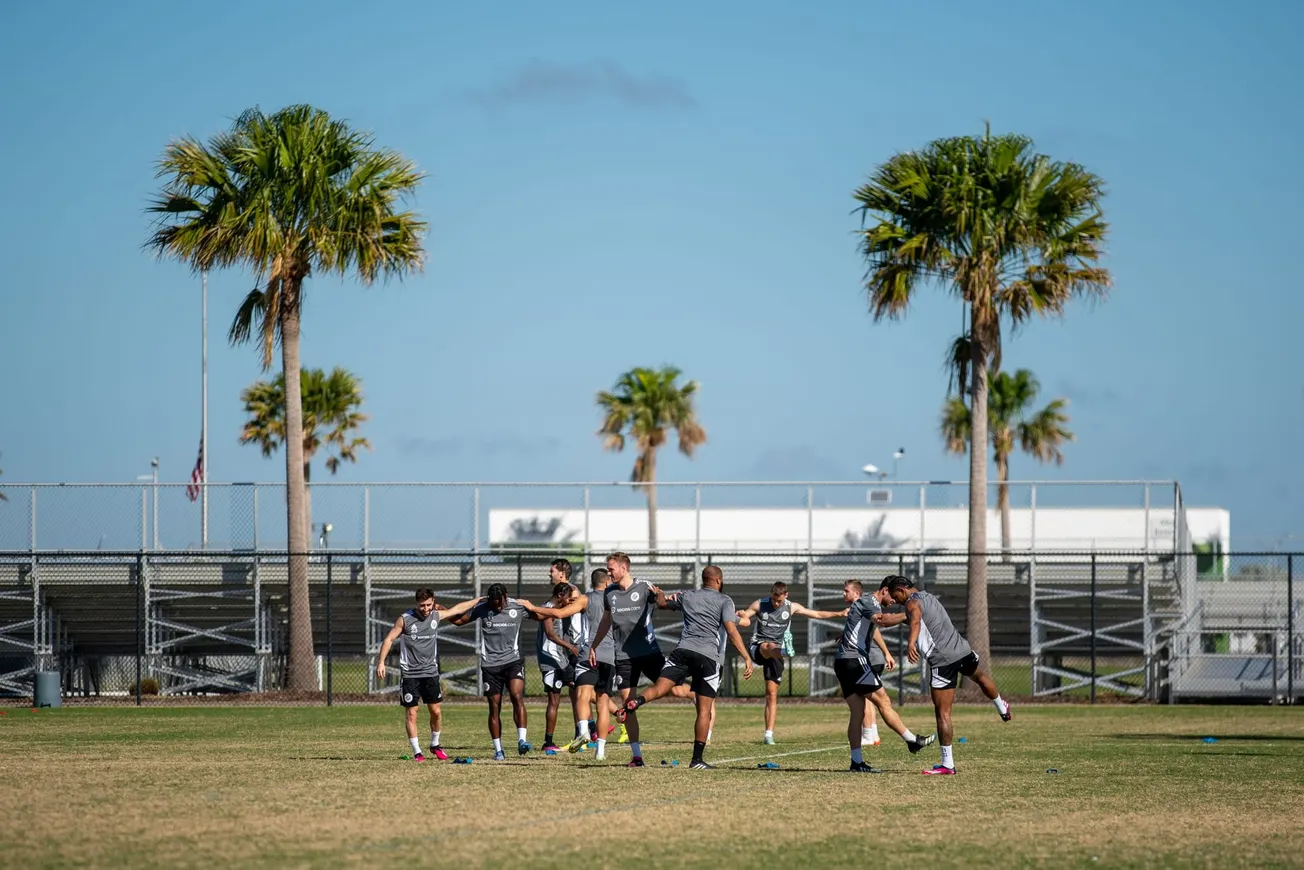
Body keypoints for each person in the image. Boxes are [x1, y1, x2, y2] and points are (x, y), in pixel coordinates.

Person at [618, 565, 753, 769]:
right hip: (708, 657)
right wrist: (746, 656)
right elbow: (732, 630)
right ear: (718, 581)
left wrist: (660, 593)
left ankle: (636, 701)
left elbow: (662, 604)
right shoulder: (725, 600)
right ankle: (697, 760)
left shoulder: (687, 595)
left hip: (682, 651)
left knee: (661, 686)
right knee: (704, 711)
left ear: (703, 579)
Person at [876, 575, 1011, 775]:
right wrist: (885, 620)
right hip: (962, 650)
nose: (894, 600)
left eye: (896, 595)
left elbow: (914, 623)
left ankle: (947, 765)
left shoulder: (912, 603)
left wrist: (911, 643)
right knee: (980, 676)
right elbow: (909, 619)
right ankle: (1001, 705)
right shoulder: (928, 597)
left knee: (943, 714)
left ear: (903, 590)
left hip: (943, 660)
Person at [835, 579, 936, 773]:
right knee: (884, 701)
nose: (893, 602)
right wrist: (906, 615)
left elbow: (872, 629)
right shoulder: (869, 602)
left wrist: (886, 652)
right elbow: (881, 620)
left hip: (843, 661)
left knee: (858, 712)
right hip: (855, 661)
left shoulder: (866, 605)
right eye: (892, 598)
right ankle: (912, 740)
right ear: (884, 590)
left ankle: (856, 762)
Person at [376, 587, 482, 762]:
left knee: (436, 712)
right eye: (422, 605)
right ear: (416, 604)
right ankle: (417, 752)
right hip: (410, 674)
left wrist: (479, 599)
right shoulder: (405, 619)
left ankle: (435, 745)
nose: (425, 609)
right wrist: (381, 662)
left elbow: (458, 609)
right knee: (412, 713)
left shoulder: (435, 616)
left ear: (433, 602)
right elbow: (388, 639)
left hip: (430, 673)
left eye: (428, 604)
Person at [737, 581, 848, 744]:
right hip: (758, 647)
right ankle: (784, 651)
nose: (776, 603)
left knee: (771, 694)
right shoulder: (760, 604)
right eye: (774, 600)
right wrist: (741, 615)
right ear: (771, 595)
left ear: (786, 596)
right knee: (768, 645)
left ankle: (768, 734)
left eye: (779, 601)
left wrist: (839, 614)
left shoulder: (791, 606)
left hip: (776, 654)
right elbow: (746, 615)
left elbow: (816, 614)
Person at [447, 582, 542, 761]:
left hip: (512, 661)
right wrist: (443, 611)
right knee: (494, 707)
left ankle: (522, 740)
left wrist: (536, 607)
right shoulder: (483, 608)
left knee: (516, 696)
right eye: (495, 603)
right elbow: (460, 621)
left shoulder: (517, 606)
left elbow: (541, 616)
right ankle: (498, 750)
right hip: (490, 665)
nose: (498, 606)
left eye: (501, 602)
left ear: (506, 596)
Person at [586, 552, 664, 767]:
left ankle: (699, 696)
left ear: (624, 568)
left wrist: (660, 597)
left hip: (649, 652)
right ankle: (637, 756)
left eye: (611, 569)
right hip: (624, 657)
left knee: (674, 688)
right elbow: (606, 621)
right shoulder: (609, 593)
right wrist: (594, 645)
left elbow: (661, 601)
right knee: (627, 706)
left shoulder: (644, 586)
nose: (608, 573)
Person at [536, 559, 583, 753]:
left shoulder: (571, 591)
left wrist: (573, 646)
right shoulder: (551, 605)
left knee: (579, 692)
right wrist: (570, 647)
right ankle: (552, 741)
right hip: (554, 656)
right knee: (563, 696)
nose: (549, 574)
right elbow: (550, 634)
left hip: (565, 655)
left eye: (552, 571)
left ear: (561, 573)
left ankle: (584, 733)